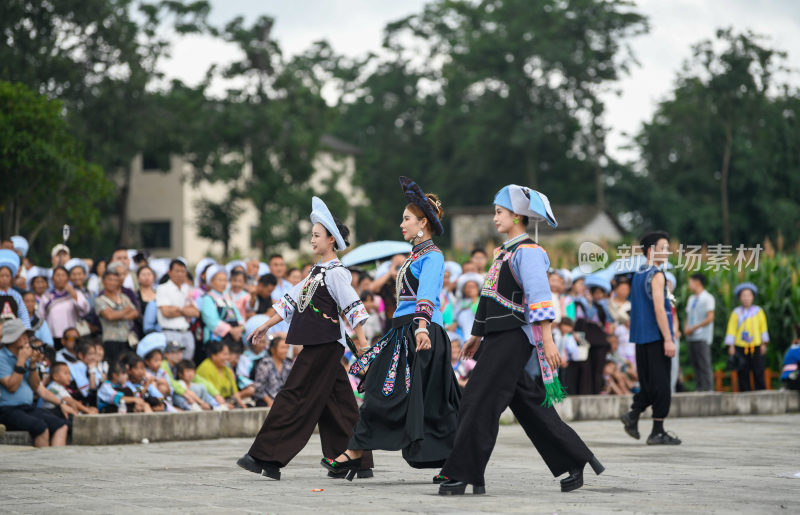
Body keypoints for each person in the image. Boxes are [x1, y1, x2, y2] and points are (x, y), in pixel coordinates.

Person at [438, 184, 600, 496]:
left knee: (478, 400)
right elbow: (488, 299)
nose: (494, 217)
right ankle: (575, 458)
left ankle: (463, 473)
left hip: (514, 338)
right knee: (528, 403)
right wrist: (476, 335)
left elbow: (541, 299)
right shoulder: (505, 253)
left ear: (517, 216)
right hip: (497, 338)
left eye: (499, 212)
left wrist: (549, 341)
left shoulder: (529, 253)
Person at [329, 177, 460, 479]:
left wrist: (423, 328)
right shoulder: (414, 255)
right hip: (404, 332)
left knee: (436, 403)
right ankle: (356, 451)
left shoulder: (433, 257)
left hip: (421, 333)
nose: (401, 224)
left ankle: (459, 462)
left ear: (423, 223)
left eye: (406, 219)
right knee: (379, 389)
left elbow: (427, 295)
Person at [239, 196, 373, 481]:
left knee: (294, 396)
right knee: (339, 403)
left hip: (323, 346)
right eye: (311, 235)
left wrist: (362, 344)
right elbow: (291, 300)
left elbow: (353, 307)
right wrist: (266, 325)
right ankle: (358, 461)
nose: (312, 240)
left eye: (317, 235)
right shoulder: (316, 272)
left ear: (331, 241)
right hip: (322, 345)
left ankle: (266, 457)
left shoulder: (337, 273)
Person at [620, 231, 681, 445]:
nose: (668, 252)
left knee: (648, 384)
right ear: (651, 251)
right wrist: (668, 338)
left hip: (640, 337)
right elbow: (659, 309)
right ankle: (657, 431)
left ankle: (634, 414)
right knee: (662, 385)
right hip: (655, 337)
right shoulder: (656, 275)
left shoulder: (637, 274)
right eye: (663, 248)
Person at [0, 319, 69, 447]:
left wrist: (32, 365)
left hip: (27, 407)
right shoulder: (2, 357)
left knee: (61, 425)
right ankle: (41, 466)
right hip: (7, 409)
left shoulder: (25, 354)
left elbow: (36, 386)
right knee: (41, 428)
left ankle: (57, 464)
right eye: (22, 334)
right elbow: (12, 387)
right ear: (13, 337)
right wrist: (21, 361)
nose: (27, 338)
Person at [724, 282, 769, 391]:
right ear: (739, 298)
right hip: (740, 346)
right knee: (742, 371)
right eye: (743, 296)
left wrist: (764, 343)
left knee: (758, 370)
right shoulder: (736, 312)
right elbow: (731, 329)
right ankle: (745, 393)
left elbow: (763, 328)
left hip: (756, 345)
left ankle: (761, 392)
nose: (746, 298)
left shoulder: (758, 311)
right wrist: (731, 346)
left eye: (749, 296)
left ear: (753, 297)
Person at [156, 259, 200, 361]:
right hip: (171, 332)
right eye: (177, 271)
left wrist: (177, 309)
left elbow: (196, 312)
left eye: (183, 271)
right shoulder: (163, 288)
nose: (180, 274)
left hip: (186, 332)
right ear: (169, 272)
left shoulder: (187, 289)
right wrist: (185, 310)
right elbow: (166, 312)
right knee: (172, 363)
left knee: (186, 365)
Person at [95, 271, 138, 366]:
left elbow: (135, 312)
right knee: (114, 366)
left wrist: (117, 315)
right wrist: (125, 311)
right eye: (110, 280)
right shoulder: (100, 300)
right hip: (111, 340)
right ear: (103, 281)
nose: (112, 283)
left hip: (127, 340)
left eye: (115, 280)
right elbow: (109, 316)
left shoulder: (124, 297)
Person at [42, 266, 91, 349]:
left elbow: (85, 310)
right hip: (52, 335)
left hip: (71, 336)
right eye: (57, 275)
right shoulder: (46, 296)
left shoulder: (76, 293)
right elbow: (41, 318)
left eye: (63, 275)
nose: (60, 278)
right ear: (53, 278)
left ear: (68, 278)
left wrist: (72, 293)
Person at [200, 266, 244, 350]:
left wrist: (240, 328)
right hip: (217, 339)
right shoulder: (208, 298)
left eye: (225, 280)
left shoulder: (227, 297)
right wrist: (231, 330)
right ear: (211, 282)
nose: (223, 283)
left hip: (233, 337)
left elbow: (238, 316)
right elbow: (211, 321)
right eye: (220, 280)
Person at [684, 273, 715, 391]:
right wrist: (687, 327)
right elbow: (688, 315)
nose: (689, 285)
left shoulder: (708, 298)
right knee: (695, 364)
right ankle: (700, 388)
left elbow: (710, 317)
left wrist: (694, 327)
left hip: (703, 336)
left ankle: (708, 388)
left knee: (704, 363)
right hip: (692, 337)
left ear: (697, 282)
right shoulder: (691, 299)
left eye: (690, 282)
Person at [196, 340, 247, 409]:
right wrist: (224, 404)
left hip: (228, 402)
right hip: (212, 404)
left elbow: (235, 392)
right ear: (214, 355)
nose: (227, 357)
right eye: (224, 354)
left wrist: (243, 406)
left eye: (228, 354)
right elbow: (209, 394)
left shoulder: (227, 369)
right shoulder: (205, 368)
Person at [253, 336, 292, 407]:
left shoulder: (288, 364)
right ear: (273, 349)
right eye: (282, 347)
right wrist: (270, 402)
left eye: (287, 348)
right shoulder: (265, 364)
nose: (285, 351)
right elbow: (259, 388)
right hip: (266, 402)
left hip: (283, 402)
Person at [135, 265, 157, 336]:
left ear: (154, 277)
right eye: (143, 275)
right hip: (140, 330)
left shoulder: (159, 294)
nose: (147, 277)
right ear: (138, 278)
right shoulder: (135, 296)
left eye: (149, 274)